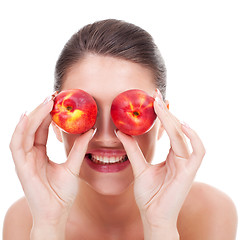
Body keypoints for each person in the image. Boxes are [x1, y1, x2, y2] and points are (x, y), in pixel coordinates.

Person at [3, 19, 238, 240]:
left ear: (162, 121)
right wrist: (48, 224)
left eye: (132, 111)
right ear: (54, 120)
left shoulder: (210, 211)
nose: (106, 137)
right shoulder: (24, 220)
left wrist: (160, 225)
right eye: (88, 112)